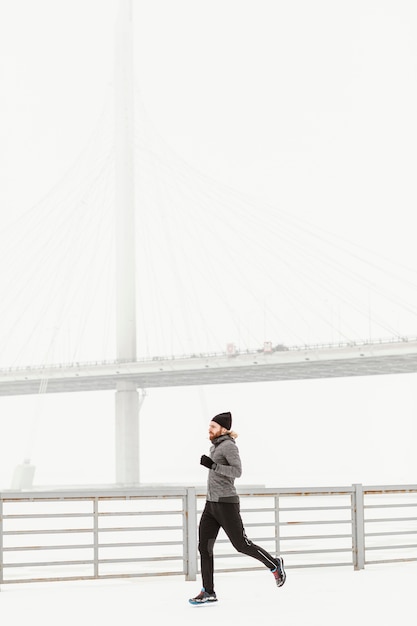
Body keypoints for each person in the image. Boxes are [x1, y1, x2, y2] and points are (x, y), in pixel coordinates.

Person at [189, 411, 286, 605]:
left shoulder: (229, 447)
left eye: (213, 426)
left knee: (241, 544)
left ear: (223, 429)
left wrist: (213, 466)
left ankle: (274, 564)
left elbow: (237, 471)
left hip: (226, 504)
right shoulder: (215, 446)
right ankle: (208, 591)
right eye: (209, 426)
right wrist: (212, 464)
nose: (209, 429)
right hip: (211, 504)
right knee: (204, 548)